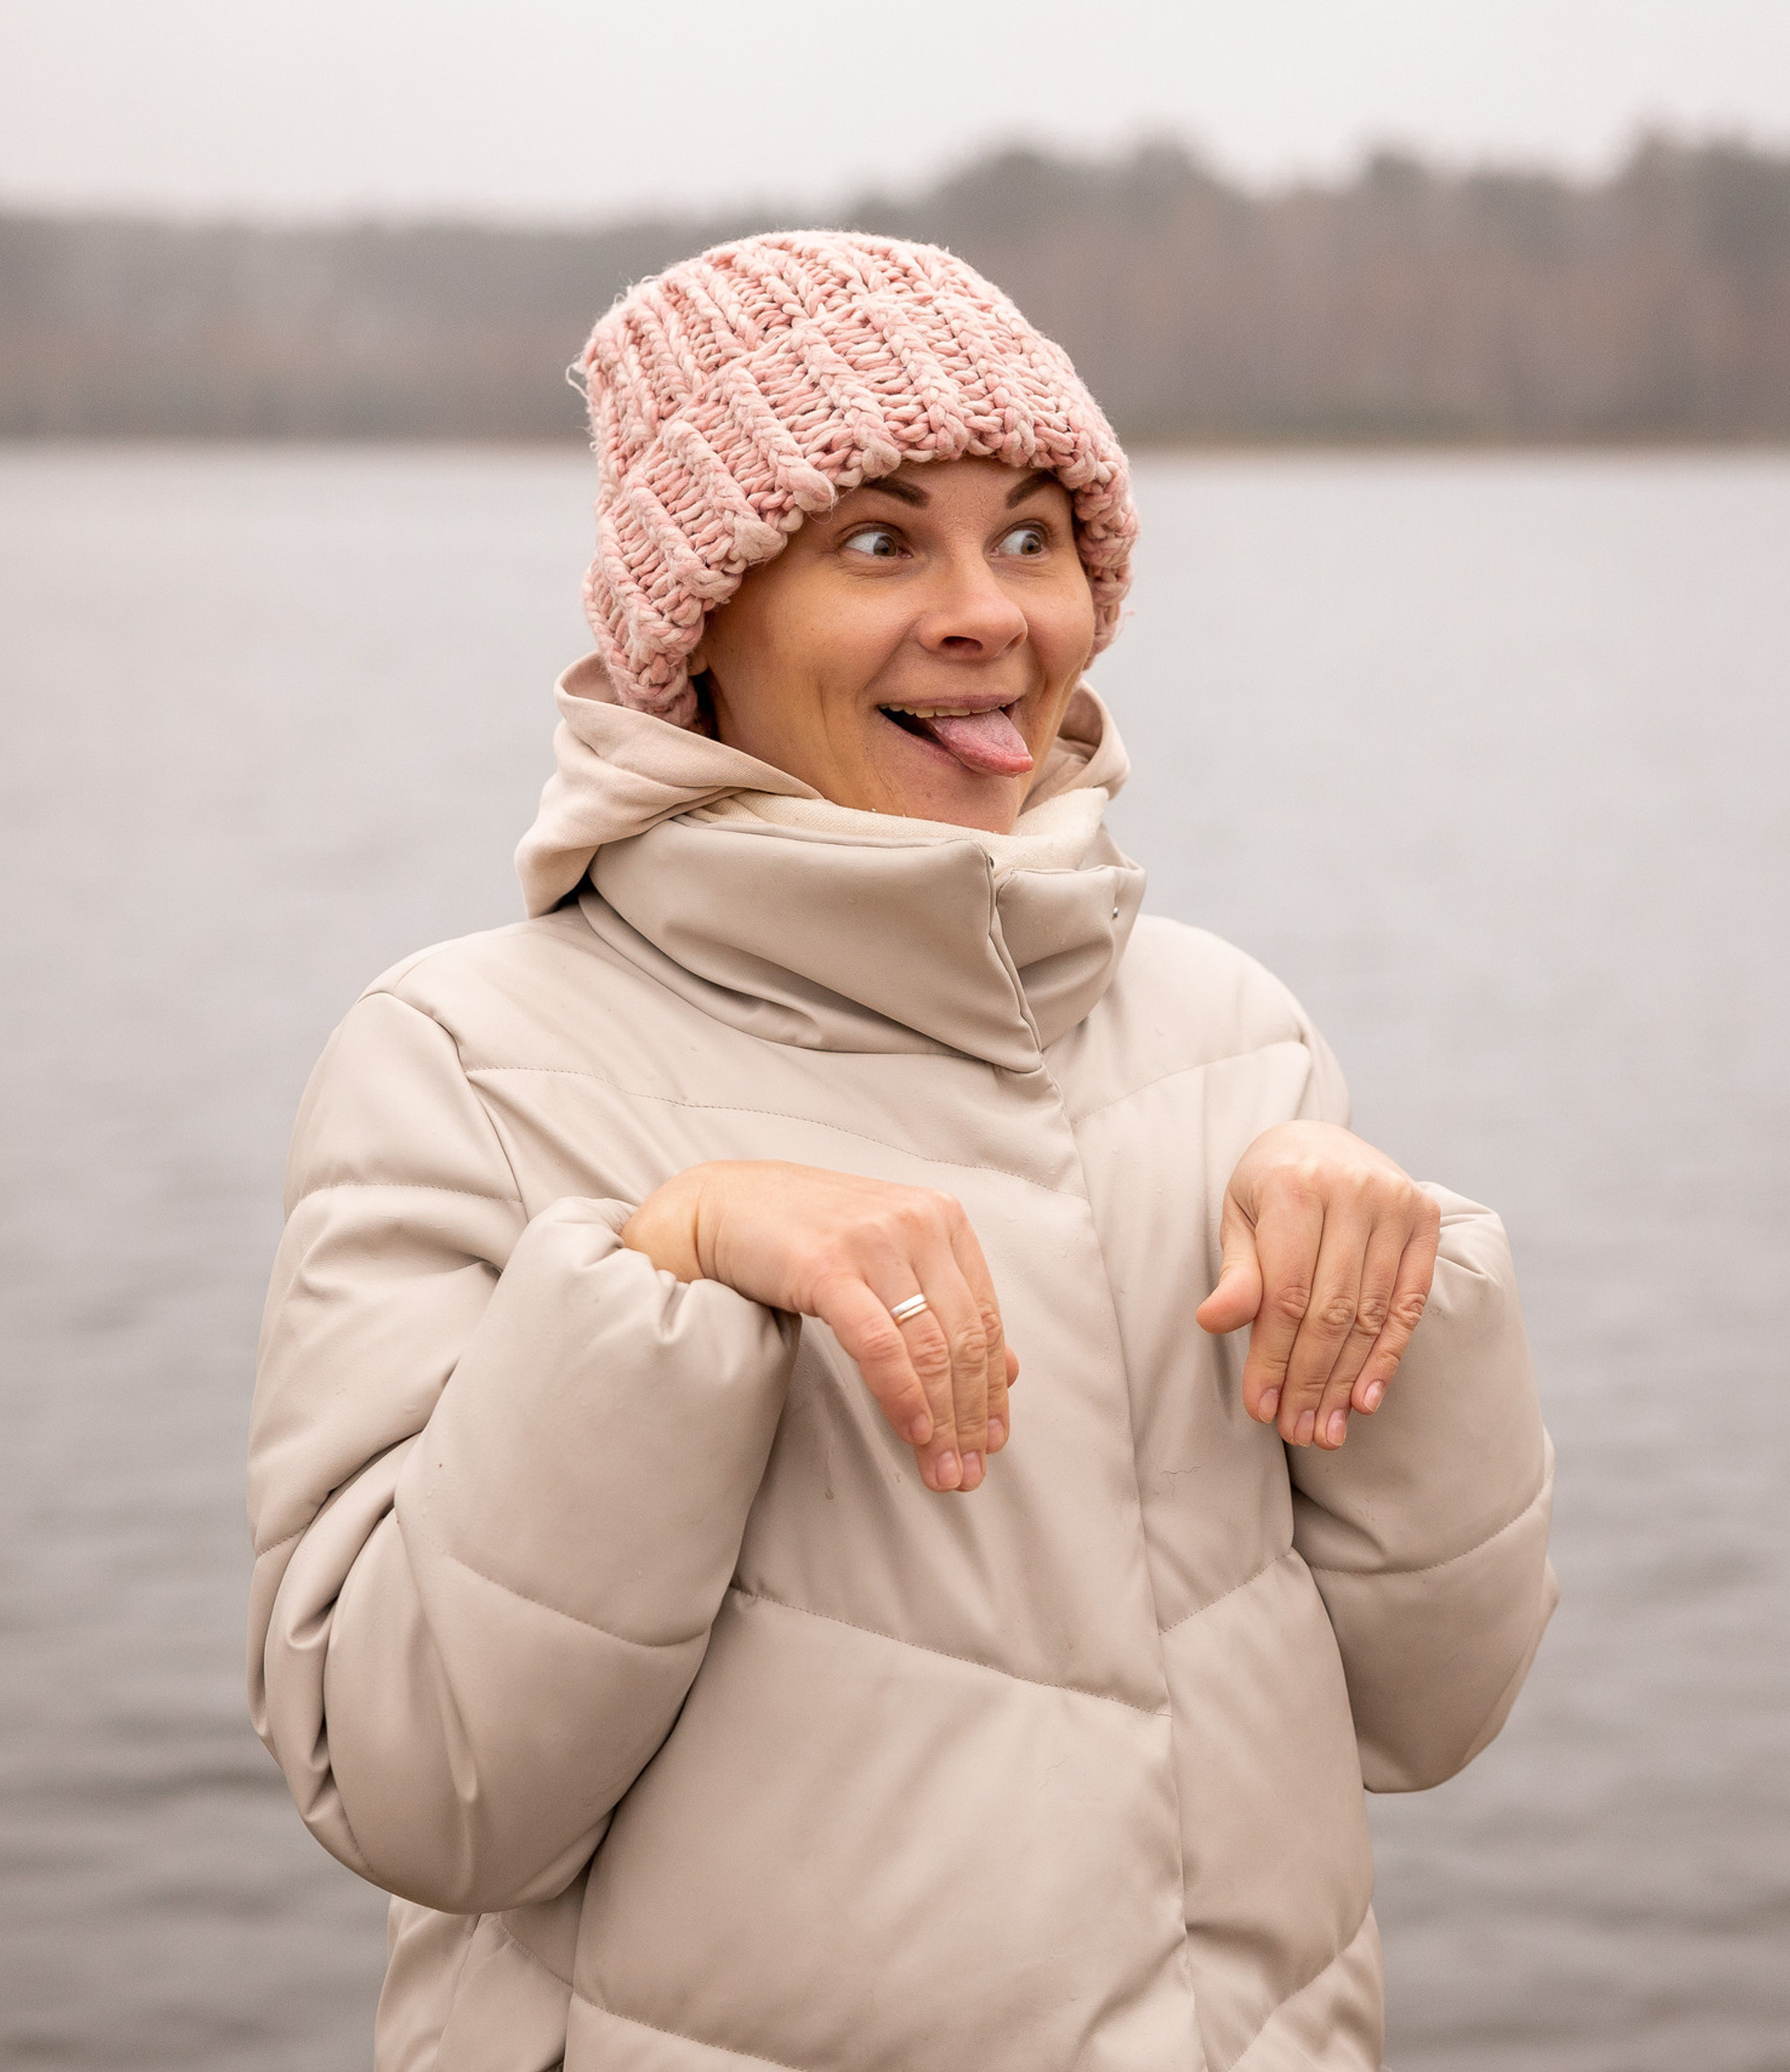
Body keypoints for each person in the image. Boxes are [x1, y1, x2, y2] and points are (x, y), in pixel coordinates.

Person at [247, 231, 1555, 2072]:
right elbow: (417, 1787)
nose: (988, 612)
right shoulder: (469, 1057)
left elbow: (1431, 1711)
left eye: (1029, 533)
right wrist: (666, 1278)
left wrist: (1400, 1288)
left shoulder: (1226, 1033)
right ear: (698, 619)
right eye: (879, 538)